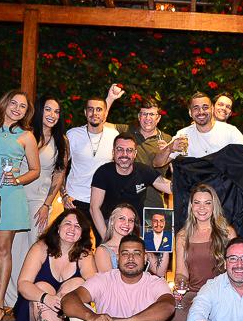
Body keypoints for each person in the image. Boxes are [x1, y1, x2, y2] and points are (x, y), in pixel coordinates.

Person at [0, 89, 40, 321]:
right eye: (13, 103)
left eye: (23, 106)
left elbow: (35, 170)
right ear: (5, 103)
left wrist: (17, 179)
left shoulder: (27, 136)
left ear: (27, 112)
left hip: (10, 196)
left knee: (2, 250)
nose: (17, 109)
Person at [4, 95, 69, 309]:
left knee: (37, 249)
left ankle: (33, 301)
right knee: (15, 249)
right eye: (48, 109)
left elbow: (59, 174)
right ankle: (11, 301)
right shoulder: (24, 134)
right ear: (40, 111)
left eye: (56, 112)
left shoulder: (62, 141)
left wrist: (47, 205)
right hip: (16, 196)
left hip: (40, 201)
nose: (52, 115)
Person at [162, 183, 236, 321]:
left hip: (221, 292)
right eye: (197, 203)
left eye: (207, 203)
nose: (202, 208)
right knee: (174, 311)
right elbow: (181, 272)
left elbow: (236, 268)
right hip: (193, 292)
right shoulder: (182, 236)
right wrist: (179, 284)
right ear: (191, 206)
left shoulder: (227, 232)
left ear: (214, 206)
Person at [12, 209, 97, 321]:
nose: (72, 229)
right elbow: (23, 284)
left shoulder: (84, 255)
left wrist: (63, 299)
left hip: (65, 312)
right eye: (68, 224)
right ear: (58, 227)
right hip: (33, 307)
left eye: (77, 226)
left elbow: (93, 285)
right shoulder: (40, 248)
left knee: (79, 283)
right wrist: (46, 298)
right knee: (42, 286)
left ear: (82, 233)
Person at [90, 133, 172, 240]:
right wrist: (107, 238)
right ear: (113, 152)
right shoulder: (103, 172)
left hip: (136, 226)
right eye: (120, 149)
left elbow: (171, 188)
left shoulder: (143, 171)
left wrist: (173, 160)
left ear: (135, 154)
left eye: (129, 150)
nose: (124, 154)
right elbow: (94, 208)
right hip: (110, 224)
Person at [62, 96, 119, 242]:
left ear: (105, 113)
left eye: (99, 109)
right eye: (91, 109)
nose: (95, 113)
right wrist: (64, 195)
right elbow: (61, 168)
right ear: (85, 112)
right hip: (76, 200)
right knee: (74, 244)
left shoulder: (114, 136)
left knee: (104, 243)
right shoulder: (73, 135)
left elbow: (119, 168)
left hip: (103, 201)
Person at [153, 91, 243, 165]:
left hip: (223, 191)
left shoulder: (230, 131)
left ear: (212, 109)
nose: (201, 112)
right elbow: (157, 163)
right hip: (195, 190)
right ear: (190, 112)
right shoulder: (183, 135)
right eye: (196, 108)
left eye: (205, 107)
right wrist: (170, 148)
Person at [95, 203, 169, 277]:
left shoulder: (140, 244)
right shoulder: (103, 250)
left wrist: (167, 245)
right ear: (112, 221)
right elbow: (109, 281)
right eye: (122, 218)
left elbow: (160, 272)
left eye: (131, 220)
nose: (127, 223)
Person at [131, 97, 172, 209]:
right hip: (127, 203)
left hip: (154, 205)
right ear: (139, 116)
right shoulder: (127, 133)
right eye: (144, 114)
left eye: (152, 114)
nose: (147, 118)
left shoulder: (168, 140)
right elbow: (101, 124)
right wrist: (110, 98)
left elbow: (177, 171)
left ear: (158, 118)